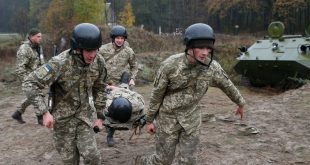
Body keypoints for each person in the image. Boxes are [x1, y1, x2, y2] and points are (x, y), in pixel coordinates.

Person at [135, 23, 246, 165]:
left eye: (208, 48)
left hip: (191, 121)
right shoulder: (170, 65)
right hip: (167, 120)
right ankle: (140, 162)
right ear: (189, 47)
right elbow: (156, 95)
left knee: (188, 161)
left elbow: (227, 84)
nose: (205, 52)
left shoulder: (212, 68)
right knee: (162, 161)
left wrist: (240, 103)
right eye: (200, 47)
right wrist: (150, 120)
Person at [23, 23, 106, 164]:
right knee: (70, 161)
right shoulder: (59, 63)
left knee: (93, 158)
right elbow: (30, 83)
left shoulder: (98, 62)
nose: (92, 55)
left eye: (95, 50)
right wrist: (44, 112)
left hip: (84, 119)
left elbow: (99, 87)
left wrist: (100, 115)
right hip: (62, 122)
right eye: (88, 50)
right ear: (78, 48)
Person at [12, 28, 45, 125]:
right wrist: (27, 81)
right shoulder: (24, 49)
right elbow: (20, 68)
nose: (40, 38)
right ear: (31, 37)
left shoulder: (38, 47)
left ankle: (18, 113)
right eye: (38, 36)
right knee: (38, 95)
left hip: (38, 77)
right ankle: (40, 118)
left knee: (33, 96)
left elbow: (41, 62)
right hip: (29, 78)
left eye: (41, 36)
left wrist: (44, 75)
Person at [103, 73, 145, 147]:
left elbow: (140, 103)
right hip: (114, 90)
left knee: (125, 74)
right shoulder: (108, 105)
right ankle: (110, 136)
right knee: (110, 117)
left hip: (125, 92)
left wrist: (131, 79)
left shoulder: (136, 104)